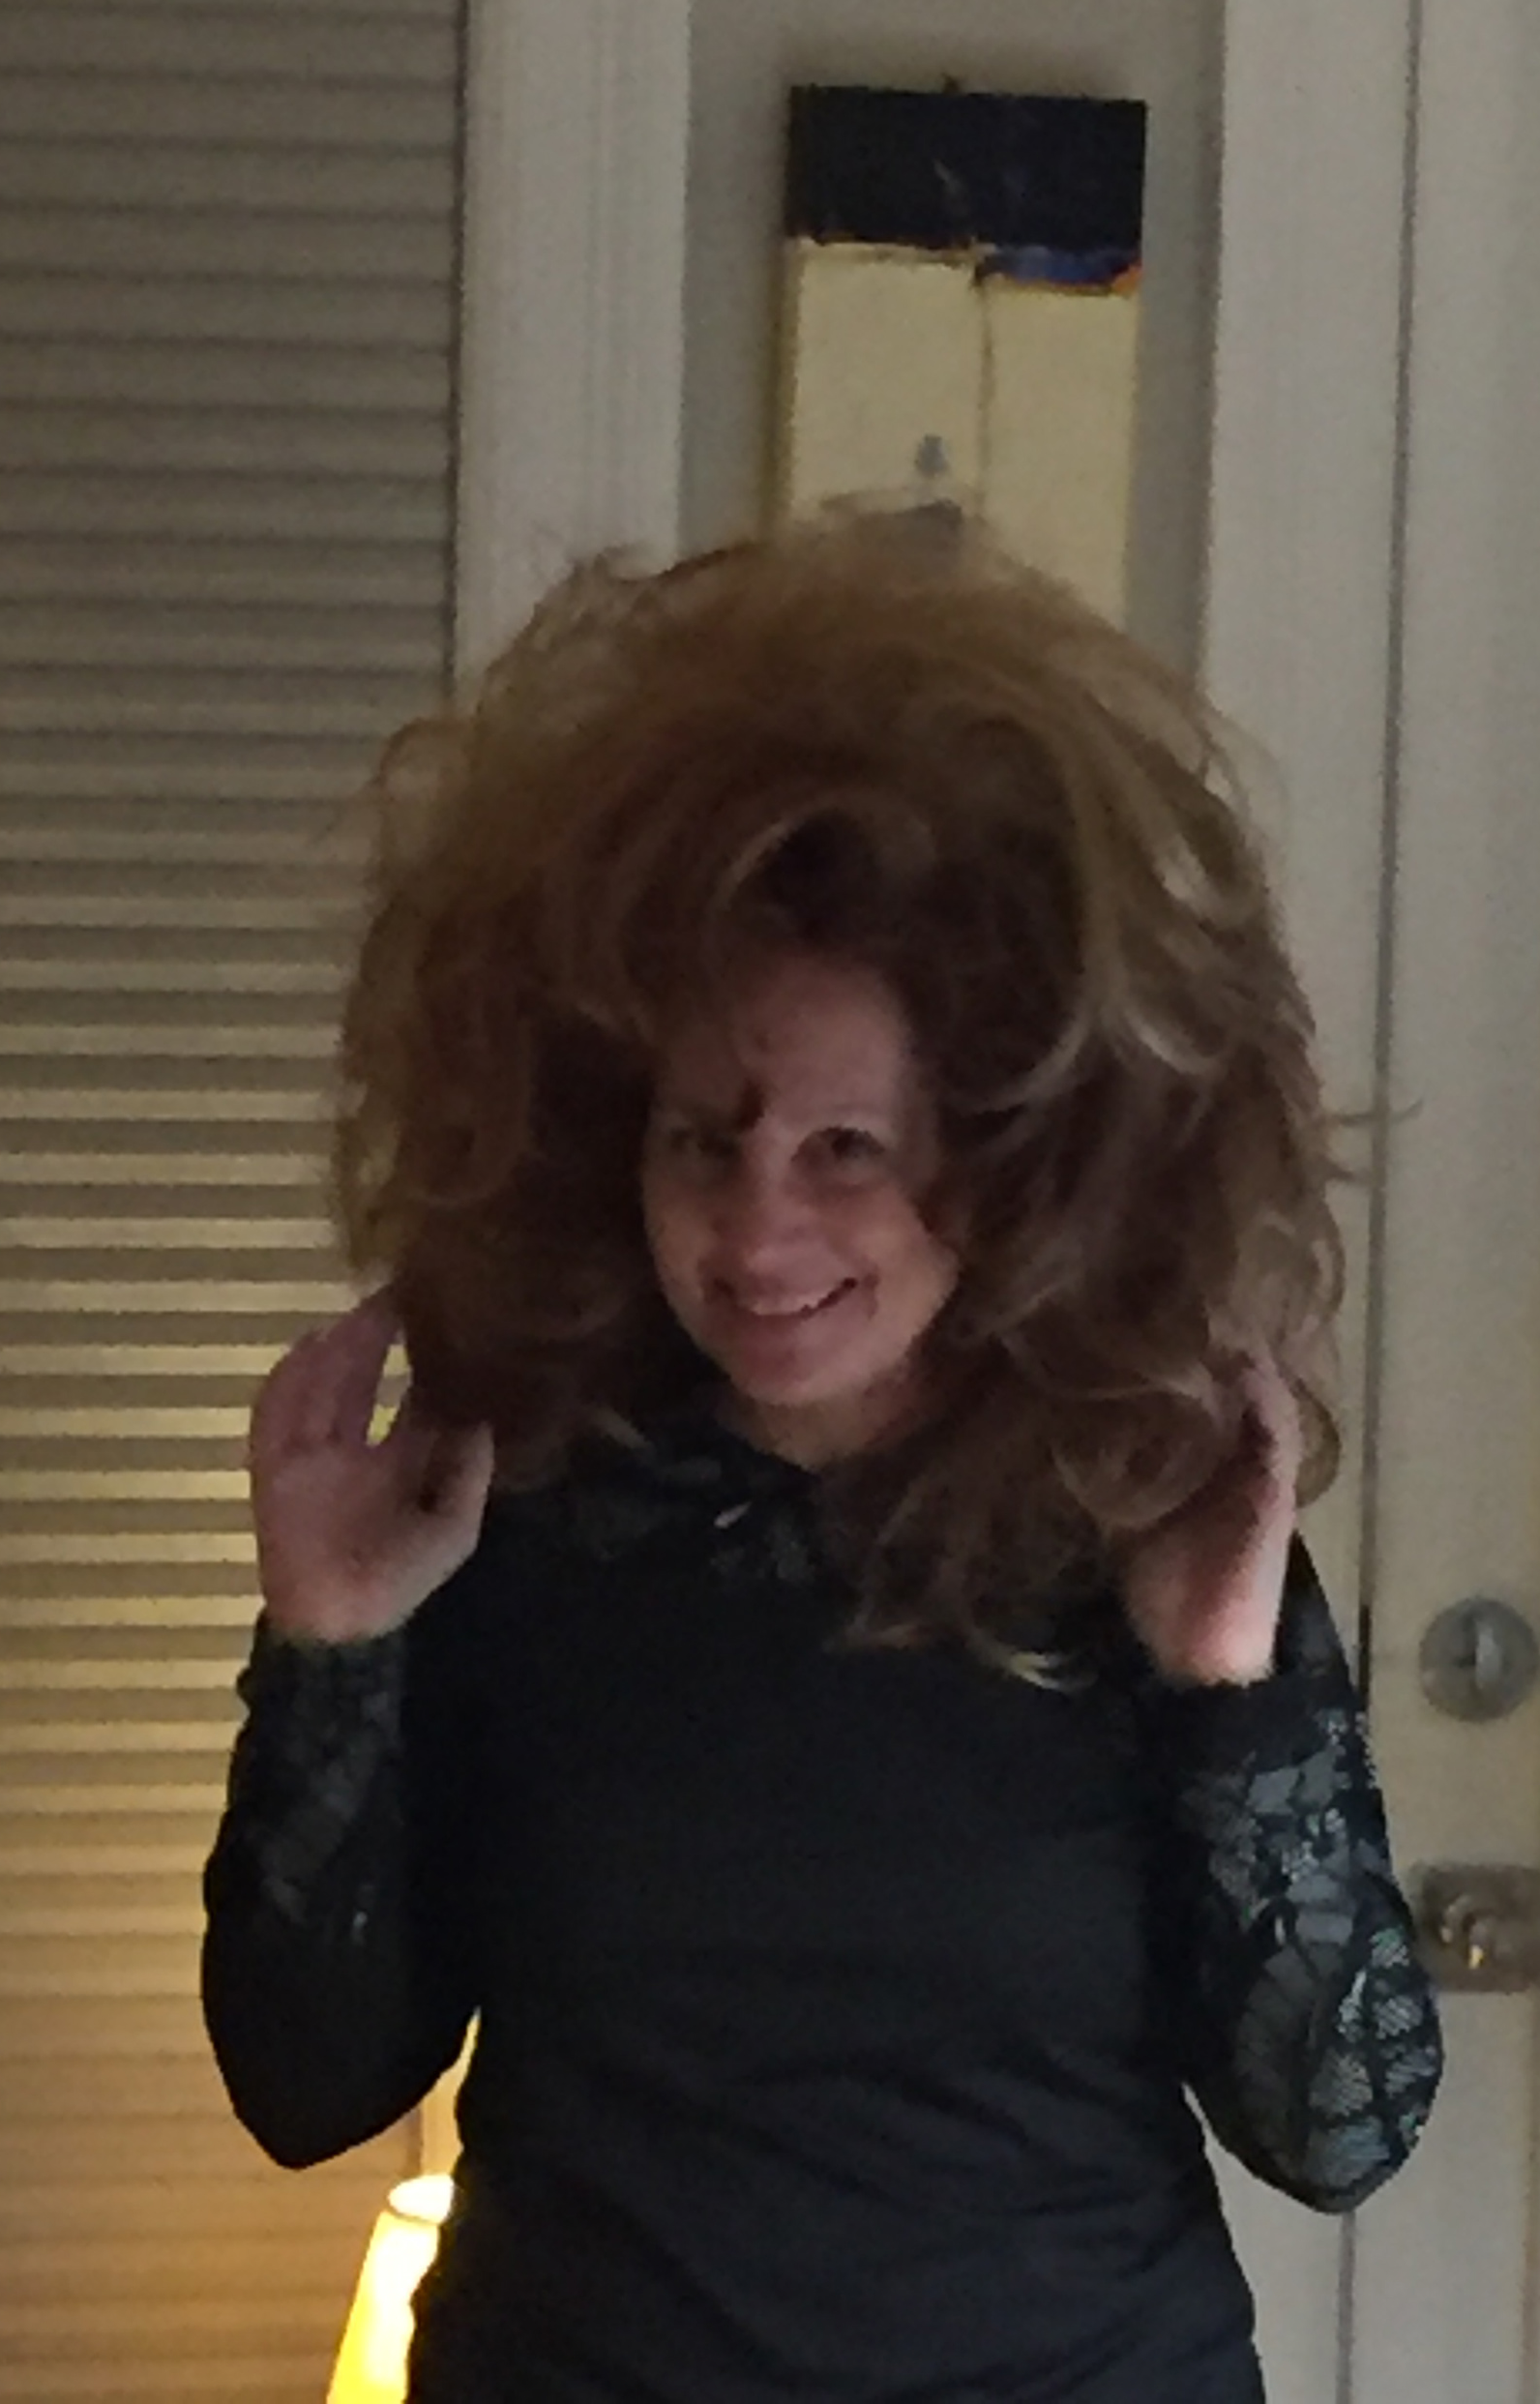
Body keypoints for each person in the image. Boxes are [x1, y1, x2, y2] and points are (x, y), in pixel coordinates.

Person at [201, 513, 1441, 2404]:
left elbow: (1339, 2126)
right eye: (705, 1139)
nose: (759, 1230)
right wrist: (333, 1646)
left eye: (846, 1149)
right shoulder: (511, 1505)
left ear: (1008, 1157)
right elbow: (306, 2089)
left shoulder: (1136, 1512)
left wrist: (1225, 1684)